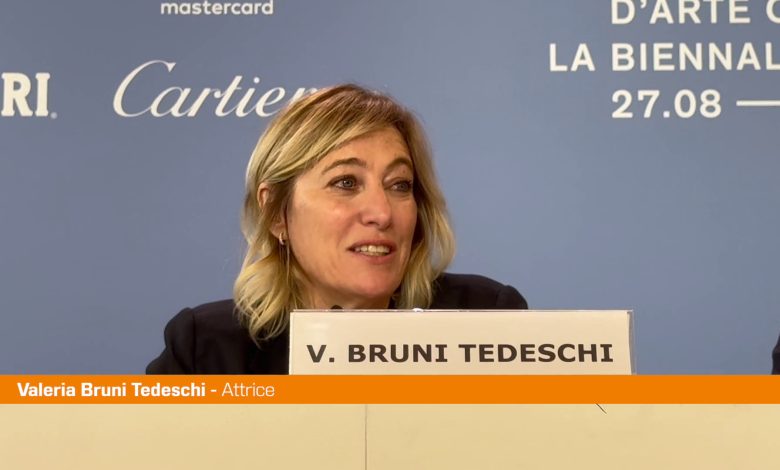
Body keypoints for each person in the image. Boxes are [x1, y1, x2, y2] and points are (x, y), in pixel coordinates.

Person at [147, 84, 527, 374]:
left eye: (399, 185)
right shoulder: (206, 350)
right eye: (346, 182)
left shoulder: (487, 319)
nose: (381, 213)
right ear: (276, 212)